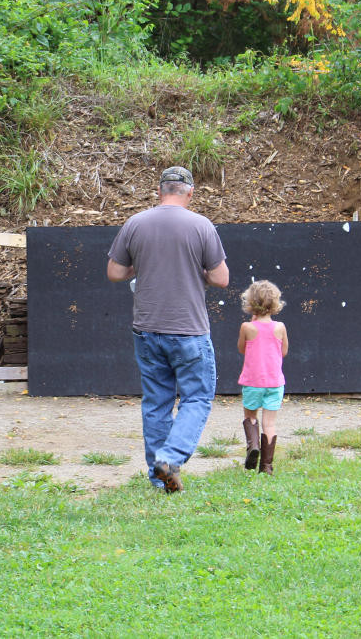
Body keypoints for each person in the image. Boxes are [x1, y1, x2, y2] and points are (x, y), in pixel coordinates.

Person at [106, 166, 229, 493]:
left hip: (146, 329)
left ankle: (159, 479)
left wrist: (139, 265)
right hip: (189, 329)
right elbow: (221, 279)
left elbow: (115, 272)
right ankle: (170, 458)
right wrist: (197, 270)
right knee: (198, 397)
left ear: (159, 191)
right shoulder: (201, 225)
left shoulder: (135, 223)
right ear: (189, 193)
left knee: (157, 402)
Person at [236, 280, 289, 475]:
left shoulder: (247, 327)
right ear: (275, 303)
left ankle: (253, 447)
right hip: (275, 383)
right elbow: (283, 352)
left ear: (250, 304)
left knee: (250, 416)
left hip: (252, 382)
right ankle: (266, 466)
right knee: (270, 423)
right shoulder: (280, 327)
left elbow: (242, 349)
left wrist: (251, 325)